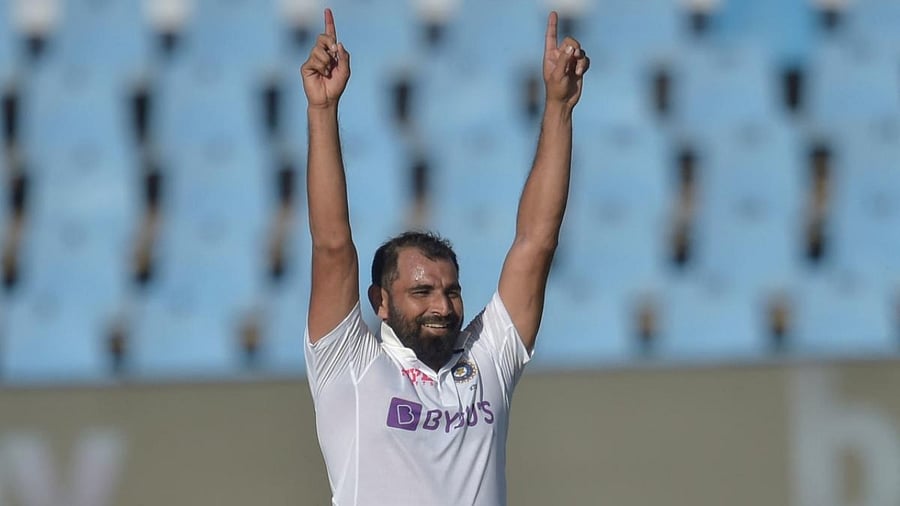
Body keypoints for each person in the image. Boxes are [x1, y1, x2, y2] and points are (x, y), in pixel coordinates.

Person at [300, 7, 589, 505]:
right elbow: (331, 245)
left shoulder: (486, 358)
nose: (442, 305)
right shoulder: (347, 364)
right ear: (380, 301)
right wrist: (322, 113)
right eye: (421, 291)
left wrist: (559, 108)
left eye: (451, 291)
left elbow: (536, 242)